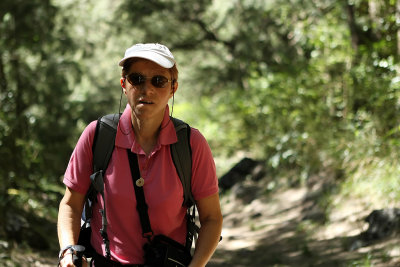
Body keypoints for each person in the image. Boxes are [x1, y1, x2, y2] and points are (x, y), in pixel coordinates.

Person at [57, 43, 223, 267]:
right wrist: (68, 251)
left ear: (173, 88)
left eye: (159, 80)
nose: (147, 89)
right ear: (124, 84)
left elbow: (212, 218)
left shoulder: (191, 144)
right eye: (137, 79)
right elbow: (71, 205)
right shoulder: (97, 136)